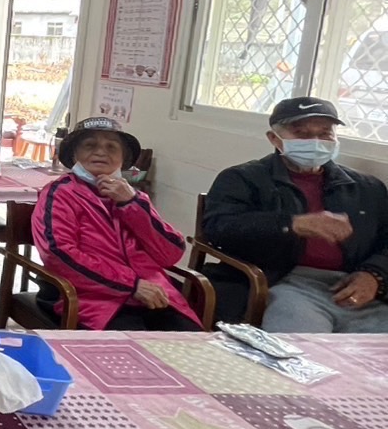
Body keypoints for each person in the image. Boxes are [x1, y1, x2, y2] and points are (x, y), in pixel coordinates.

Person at [203, 97, 388, 333]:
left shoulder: (367, 187)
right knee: (301, 346)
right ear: (274, 139)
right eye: (302, 134)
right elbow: (219, 228)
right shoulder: (243, 179)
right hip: (284, 282)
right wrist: (291, 224)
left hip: (353, 284)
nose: (315, 142)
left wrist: (375, 275)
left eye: (325, 133)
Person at [32, 117, 201, 331]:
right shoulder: (60, 194)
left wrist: (131, 204)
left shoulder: (135, 197)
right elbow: (57, 252)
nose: (101, 152)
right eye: (90, 145)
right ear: (75, 155)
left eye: (111, 147)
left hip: (153, 294)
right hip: (91, 298)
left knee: (195, 343)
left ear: (123, 158)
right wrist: (131, 285)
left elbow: (171, 253)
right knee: (133, 348)